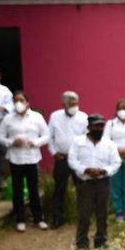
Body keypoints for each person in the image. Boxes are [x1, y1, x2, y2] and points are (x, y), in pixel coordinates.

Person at [0, 90, 50, 232]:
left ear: (28, 103)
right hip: (15, 158)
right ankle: (20, 219)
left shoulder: (37, 117)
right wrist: (12, 142)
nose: (18, 103)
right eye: (16, 100)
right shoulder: (8, 118)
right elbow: (0, 138)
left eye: (21, 100)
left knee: (34, 189)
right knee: (17, 190)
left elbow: (46, 135)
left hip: (32, 157)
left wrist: (36, 142)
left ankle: (39, 218)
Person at [68, 114, 121, 250]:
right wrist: (85, 170)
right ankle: (82, 244)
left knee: (102, 215)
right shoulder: (78, 142)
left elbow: (116, 162)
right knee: (84, 215)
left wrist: (104, 171)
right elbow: (72, 160)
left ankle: (101, 242)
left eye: (101, 126)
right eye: (96, 126)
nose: (99, 129)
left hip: (103, 183)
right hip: (85, 184)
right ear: (89, 127)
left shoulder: (109, 143)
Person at [48, 91, 88, 228]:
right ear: (63, 104)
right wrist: (54, 152)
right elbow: (50, 137)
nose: (74, 106)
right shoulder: (55, 116)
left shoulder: (83, 117)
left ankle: (83, 217)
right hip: (62, 158)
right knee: (59, 189)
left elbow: (87, 137)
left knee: (82, 188)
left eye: (76, 103)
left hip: (78, 159)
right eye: (71, 104)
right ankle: (58, 218)